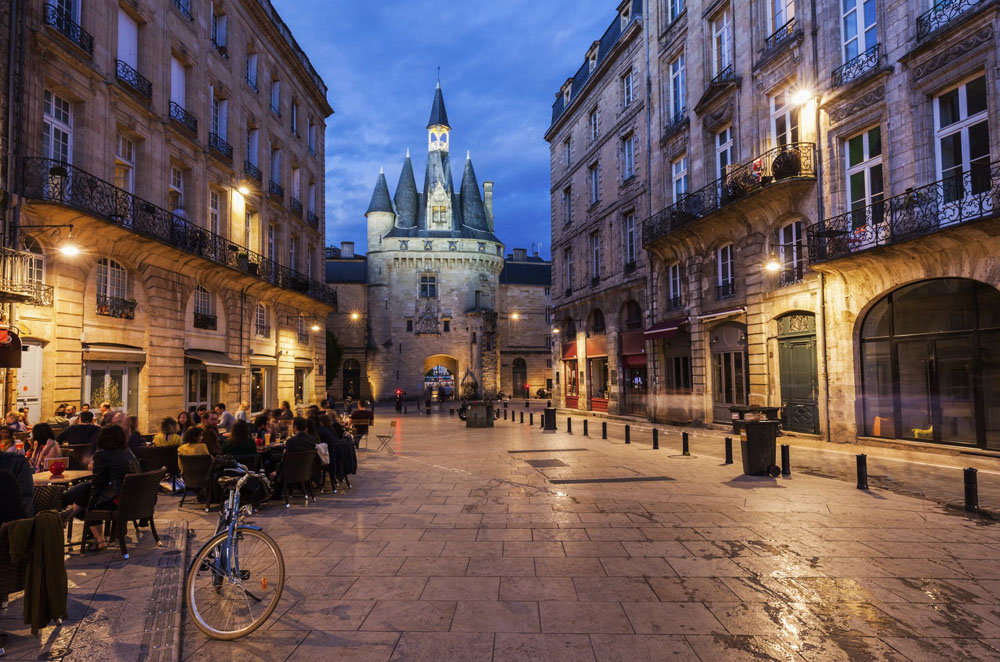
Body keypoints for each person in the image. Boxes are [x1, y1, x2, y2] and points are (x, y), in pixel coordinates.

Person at [62, 424, 139, 551]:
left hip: (120, 502)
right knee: (89, 491)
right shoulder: (127, 452)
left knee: (90, 496)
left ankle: (68, 517)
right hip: (135, 499)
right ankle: (97, 538)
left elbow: (97, 484)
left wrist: (90, 507)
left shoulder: (103, 454)